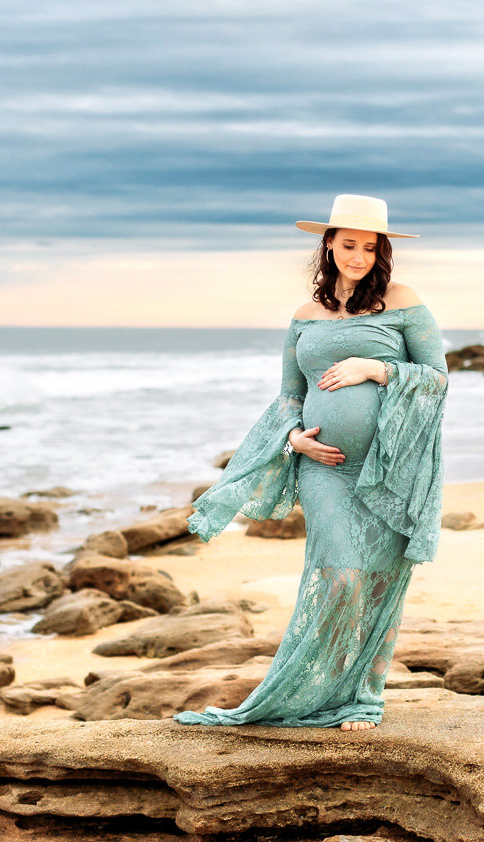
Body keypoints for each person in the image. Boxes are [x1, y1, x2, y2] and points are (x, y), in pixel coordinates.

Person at [178, 194, 448, 732]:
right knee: (340, 577)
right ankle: (313, 693)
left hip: (388, 471)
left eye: (370, 247)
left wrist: (376, 368)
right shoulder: (304, 317)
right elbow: (289, 397)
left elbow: (437, 377)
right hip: (326, 469)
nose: (358, 257)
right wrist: (295, 440)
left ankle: (362, 698)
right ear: (328, 244)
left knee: (378, 582)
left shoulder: (402, 300)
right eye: (348, 245)